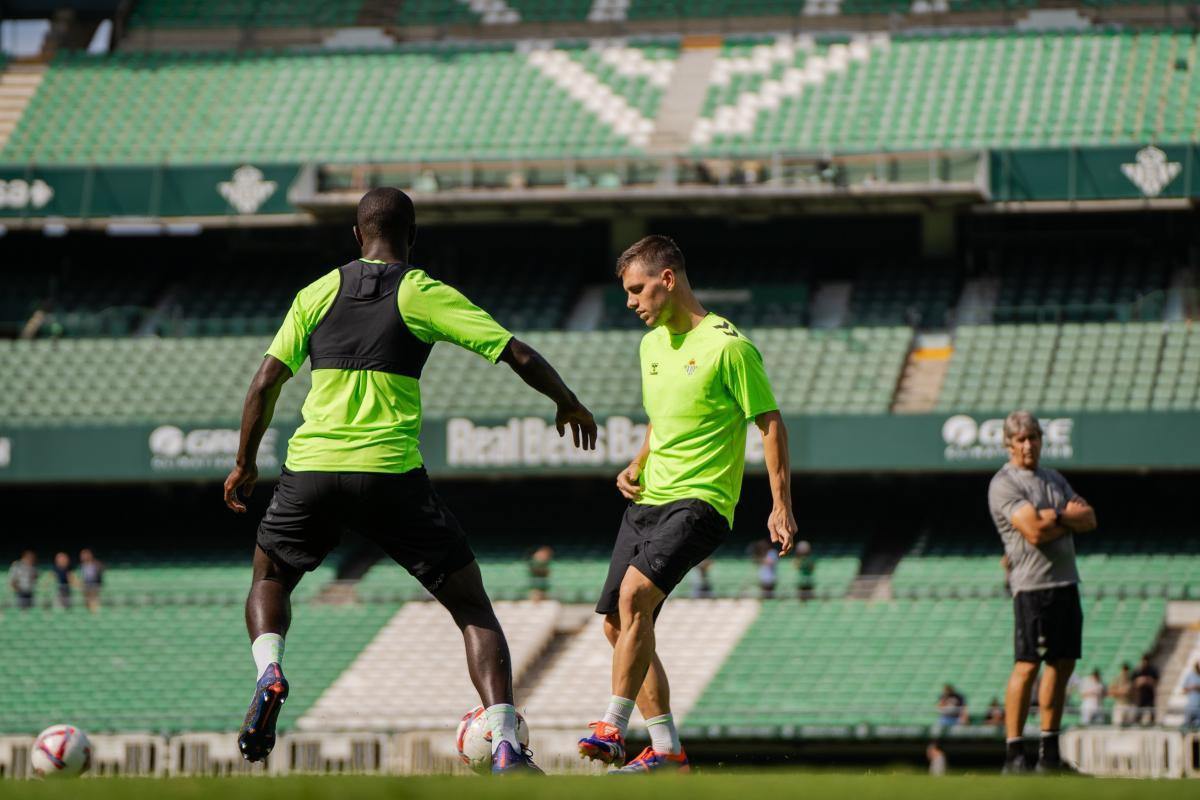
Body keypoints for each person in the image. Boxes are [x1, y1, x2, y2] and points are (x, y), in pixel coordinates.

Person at [222, 187, 597, 774]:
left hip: (313, 467)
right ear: (412, 236)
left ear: (355, 235)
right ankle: (504, 743)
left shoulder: (317, 292)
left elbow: (265, 381)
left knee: (269, 577)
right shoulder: (421, 291)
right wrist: (568, 402)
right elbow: (514, 352)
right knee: (472, 608)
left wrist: (245, 463)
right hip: (389, 473)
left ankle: (270, 669)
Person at [577, 235, 796, 774]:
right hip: (649, 496)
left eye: (637, 290)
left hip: (701, 500)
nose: (630, 302)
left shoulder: (729, 346)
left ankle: (611, 726)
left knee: (634, 598)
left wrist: (779, 504)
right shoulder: (650, 346)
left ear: (667, 280)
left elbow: (768, 423)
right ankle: (668, 749)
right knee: (614, 622)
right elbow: (662, 419)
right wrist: (637, 462)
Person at [988, 410, 1097, 773]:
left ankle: (1049, 753)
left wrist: (1055, 518)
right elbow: (1033, 532)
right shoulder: (1004, 484)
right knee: (1027, 665)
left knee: (1062, 665)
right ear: (1008, 445)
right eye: (1020, 439)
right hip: (1031, 587)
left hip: (1066, 582)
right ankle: (1014, 752)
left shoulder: (1053, 478)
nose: (1027, 445)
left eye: (1033, 437)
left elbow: (1090, 518)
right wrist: (1064, 518)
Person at [1131, 652, 1159, 726]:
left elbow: (1156, 682)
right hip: (1140, 696)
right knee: (1139, 713)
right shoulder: (1138, 671)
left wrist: (1148, 680)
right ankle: (1137, 724)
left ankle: (1152, 724)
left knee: (1151, 712)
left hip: (1150, 695)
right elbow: (1133, 683)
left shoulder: (1152, 670)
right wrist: (1140, 681)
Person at [1182, 660, 1200, 728]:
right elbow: (1184, 690)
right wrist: (1192, 687)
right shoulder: (1190, 675)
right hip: (1191, 706)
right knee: (1187, 725)